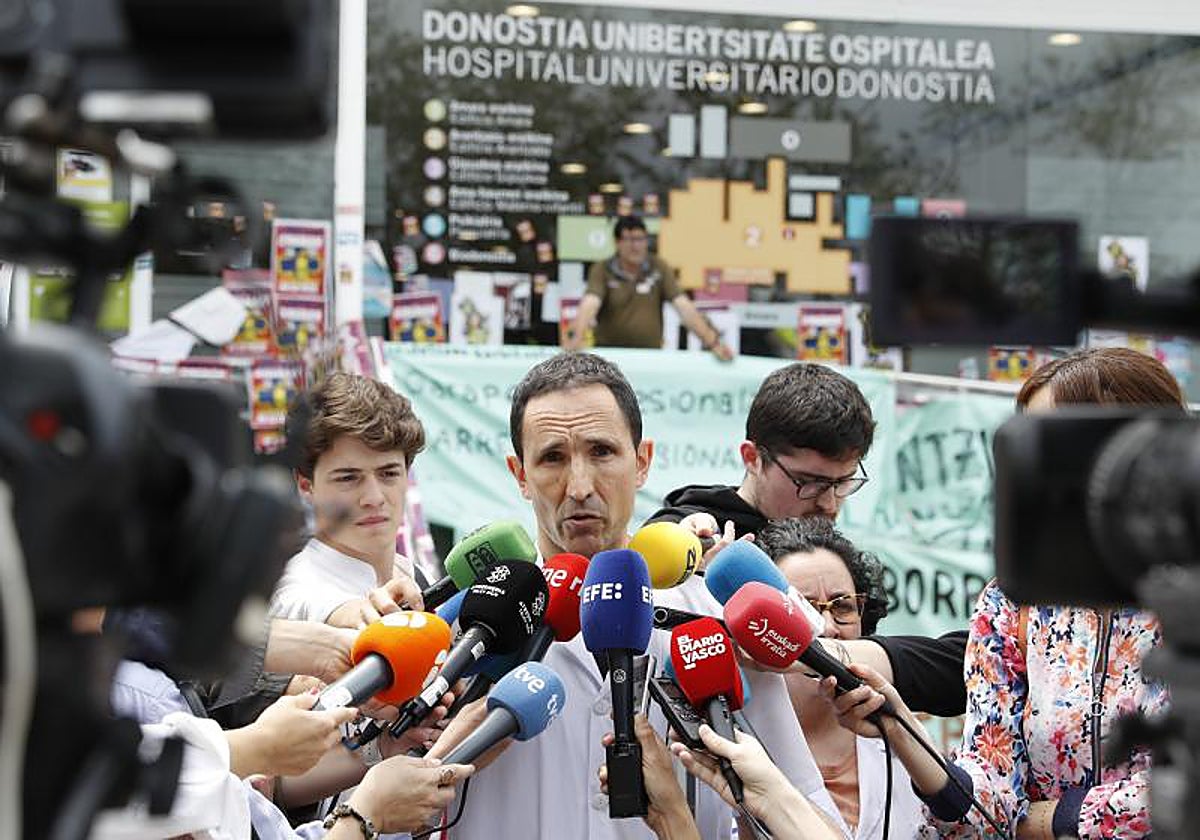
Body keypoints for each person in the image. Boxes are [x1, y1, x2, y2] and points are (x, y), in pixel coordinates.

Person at [430, 351, 842, 839]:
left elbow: (809, 814)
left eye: (602, 452)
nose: (580, 487)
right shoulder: (468, 636)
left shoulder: (715, 623)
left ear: (642, 462)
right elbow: (387, 812)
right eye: (552, 459)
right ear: (520, 474)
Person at [833, 347, 1180, 840]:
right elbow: (992, 792)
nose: (1034, 467)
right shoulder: (1014, 601)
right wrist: (910, 741)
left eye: (1053, 442)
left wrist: (1054, 820)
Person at [647, 361, 968, 719]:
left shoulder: (830, 549)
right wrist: (688, 549)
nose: (829, 504)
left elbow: (965, 667)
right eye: (809, 482)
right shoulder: (703, 540)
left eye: (843, 483)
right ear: (752, 458)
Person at [757, 517, 930, 839]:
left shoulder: (904, 738)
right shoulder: (735, 744)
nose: (827, 628)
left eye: (843, 607)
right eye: (802, 608)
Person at [270, 372, 426, 627]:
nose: (374, 498)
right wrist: (356, 616)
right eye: (348, 478)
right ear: (306, 485)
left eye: (389, 473)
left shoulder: (417, 575)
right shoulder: (294, 589)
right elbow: (304, 606)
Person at [562, 216, 734, 360]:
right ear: (617, 243)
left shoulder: (658, 267)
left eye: (641, 239)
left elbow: (684, 307)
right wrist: (573, 343)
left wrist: (713, 343)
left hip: (650, 360)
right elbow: (589, 305)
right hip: (610, 359)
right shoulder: (602, 269)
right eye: (630, 240)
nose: (636, 246)